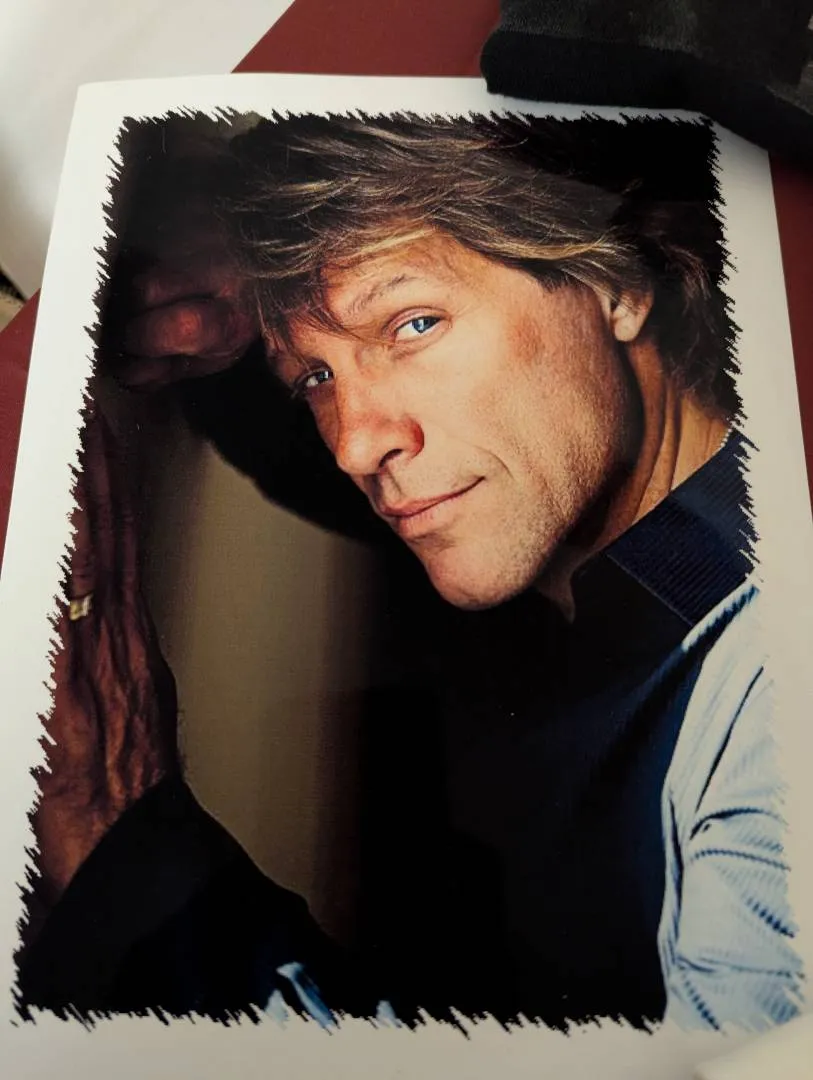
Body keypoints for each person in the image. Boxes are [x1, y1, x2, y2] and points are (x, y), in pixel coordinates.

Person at [18, 113, 803, 1031]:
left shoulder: (773, 689)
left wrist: (123, 850)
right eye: (313, 378)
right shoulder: (629, 583)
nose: (355, 444)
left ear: (617, 282)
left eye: (414, 323)